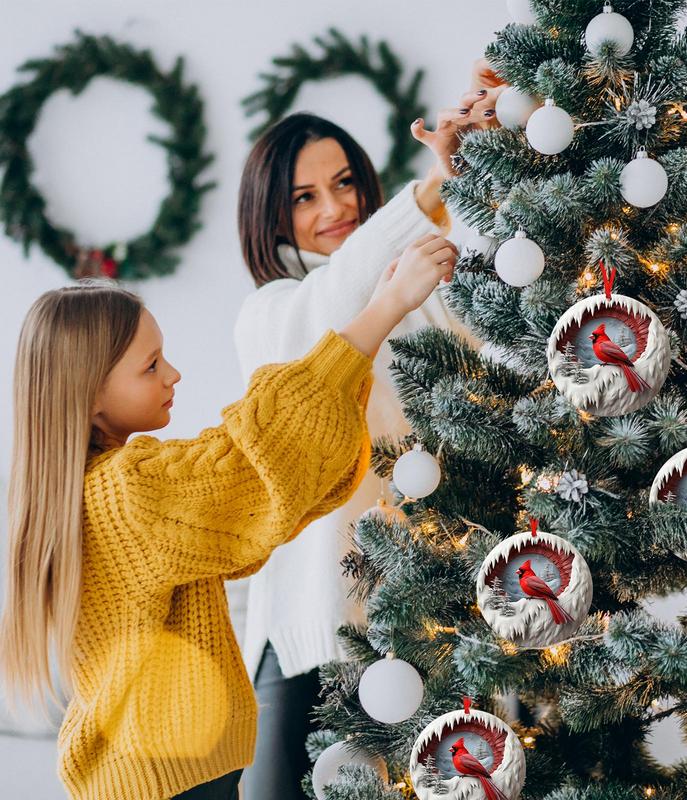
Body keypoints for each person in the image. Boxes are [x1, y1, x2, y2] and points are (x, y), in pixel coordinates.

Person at [0, 232, 456, 800]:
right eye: (150, 366)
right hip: (170, 780)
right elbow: (253, 459)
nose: (173, 374)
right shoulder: (129, 490)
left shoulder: (84, 490)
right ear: (90, 392)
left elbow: (256, 499)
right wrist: (383, 310)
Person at [235, 66, 503, 798]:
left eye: (346, 182)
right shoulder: (273, 311)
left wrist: (485, 160)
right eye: (305, 196)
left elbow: (493, 334)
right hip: (312, 635)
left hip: (430, 623)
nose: (336, 206)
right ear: (270, 215)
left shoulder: (416, 293)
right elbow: (340, 303)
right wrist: (429, 190)